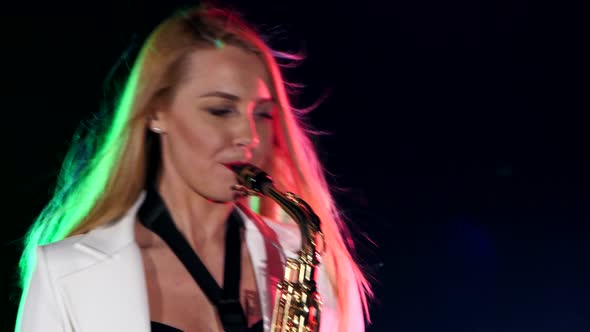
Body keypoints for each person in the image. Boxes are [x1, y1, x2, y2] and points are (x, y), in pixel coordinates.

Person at [14, 3, 373, 332]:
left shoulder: (309, 262)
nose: (249, 136)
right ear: (156, 112)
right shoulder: (66, 272)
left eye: (263, 115)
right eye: (220, 110)